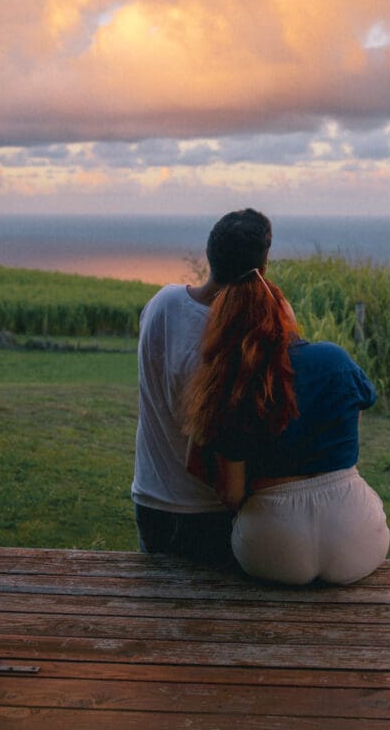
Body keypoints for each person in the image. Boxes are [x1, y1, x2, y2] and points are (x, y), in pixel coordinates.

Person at [182, 215, 390, 585]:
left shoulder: (231, 383)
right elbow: (349, 438)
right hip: (355, 536)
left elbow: (231, 496)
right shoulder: (335, 361)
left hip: (272, 546)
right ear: (284, 314)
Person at [131, 208, 273, 563]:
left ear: (210, 254)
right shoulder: (254, 331)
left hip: (152, 499)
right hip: (217, 506)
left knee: (157, 610)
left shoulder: (162, 305)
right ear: (263, 267)